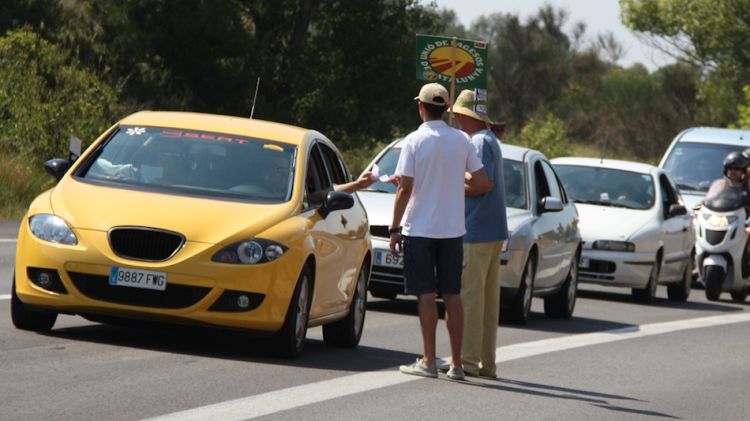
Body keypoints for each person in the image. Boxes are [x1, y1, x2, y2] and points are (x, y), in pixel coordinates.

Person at [390, 83, 490, 381]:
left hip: (420, 228)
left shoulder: (413, 141)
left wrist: (395, 228)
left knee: (425, 295)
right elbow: (482, 181)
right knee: (452, 294)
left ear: (421, 107)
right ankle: (457, 364)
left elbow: (405, 188)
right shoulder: (462, 140)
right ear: (447, 109)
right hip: (452, 230)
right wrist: (453, 178)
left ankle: (430, 360)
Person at [443, 89, 508, 379]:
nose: (455, 119)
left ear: (465, 116)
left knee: (470, 298)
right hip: (492, 229)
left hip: (476, 229)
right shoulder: (489, 139)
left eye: (457, 115)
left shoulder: (479, 142)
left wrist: (451, 184)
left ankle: (468, 361)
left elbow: (483, 185)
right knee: (486, 302)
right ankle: (485, 363)